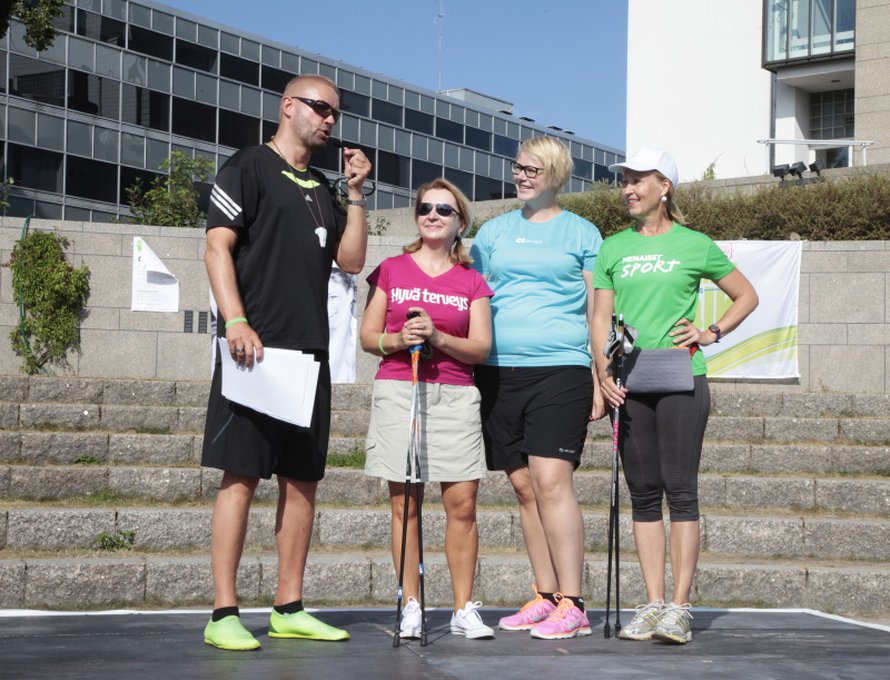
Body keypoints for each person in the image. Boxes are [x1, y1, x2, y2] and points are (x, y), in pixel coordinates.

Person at [201, 74, 372, 650]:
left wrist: (355, 193)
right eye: (320, 108)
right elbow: (216, 246)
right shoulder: (247, 166)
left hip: (310, 355)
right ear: (288, 106)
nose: (329, 120)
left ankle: (288, 605)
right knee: (241, 478)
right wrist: (236, 321)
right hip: (254, 350)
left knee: (302, 484)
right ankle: (224, 611)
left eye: (335, 113)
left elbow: (350, 261)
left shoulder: (323, 185)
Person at [592, 148, 758, 645]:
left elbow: (746, 295)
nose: (628, 188)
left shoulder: (695, 244)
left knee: (680, 491)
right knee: (643, 494)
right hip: (629, 378)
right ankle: (651, 604)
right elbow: (601, 317)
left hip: (682, 376)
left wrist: (711, 332)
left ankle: (680, 608)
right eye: (625, 180)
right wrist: (602, 370)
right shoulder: (612, 247)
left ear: (665, 186)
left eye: (638, 179)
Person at [470, 136, 604, 640]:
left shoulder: (583, 232)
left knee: (552, 482)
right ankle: (546, 595)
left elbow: (597, 310)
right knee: (524, 488)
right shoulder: (492, 233)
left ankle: (574, 602)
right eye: (517, 167)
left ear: (555, 174)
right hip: (499, 372)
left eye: (532, 169)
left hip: (561, 369)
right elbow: (476, 298)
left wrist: (598, 373)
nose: (521, 175)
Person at [361, 178, 496, 640]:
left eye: (444, 209)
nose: (433, 215)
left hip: (456, 394)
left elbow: (480, 348)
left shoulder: (471, 280)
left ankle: (462, 609)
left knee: (462, 504)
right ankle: (412, 603)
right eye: (424, 208)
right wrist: (398, 340)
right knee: (406, 504)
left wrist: (439, 338)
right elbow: (367, 337)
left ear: (461, 222)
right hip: (401, 390)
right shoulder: (393, 269)